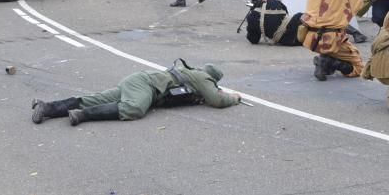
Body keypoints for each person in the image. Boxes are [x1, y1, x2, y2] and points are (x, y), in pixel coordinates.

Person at [30, 61, 239, 125]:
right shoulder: (203, 78)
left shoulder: (193, 75)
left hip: (137, 80)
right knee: (135, 109)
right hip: (145, 85)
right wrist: (234, 98)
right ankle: (82, 115)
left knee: (95, 99)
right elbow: (217, 100)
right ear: (212, 78)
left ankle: (46, 106)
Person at [300, 0, 363, 81]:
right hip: (332, 39)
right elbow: (358, 5)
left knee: (332, 30)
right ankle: (330, 62)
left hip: (311, 38)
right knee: (359, 68)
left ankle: (326, 61)